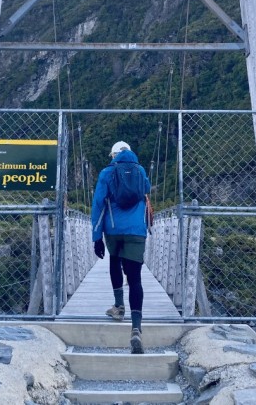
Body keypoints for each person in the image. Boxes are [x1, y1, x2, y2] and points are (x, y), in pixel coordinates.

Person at [91, 141, 151, 354]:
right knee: (135, 278)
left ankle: (119, 307)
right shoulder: (141, 170)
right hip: (136, 230)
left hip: (113, 229)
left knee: (114, 263)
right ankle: (136, 328)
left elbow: (98, 203)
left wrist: (96, 236)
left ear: (113, 155)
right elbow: (146, 190)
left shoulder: (107, 173)